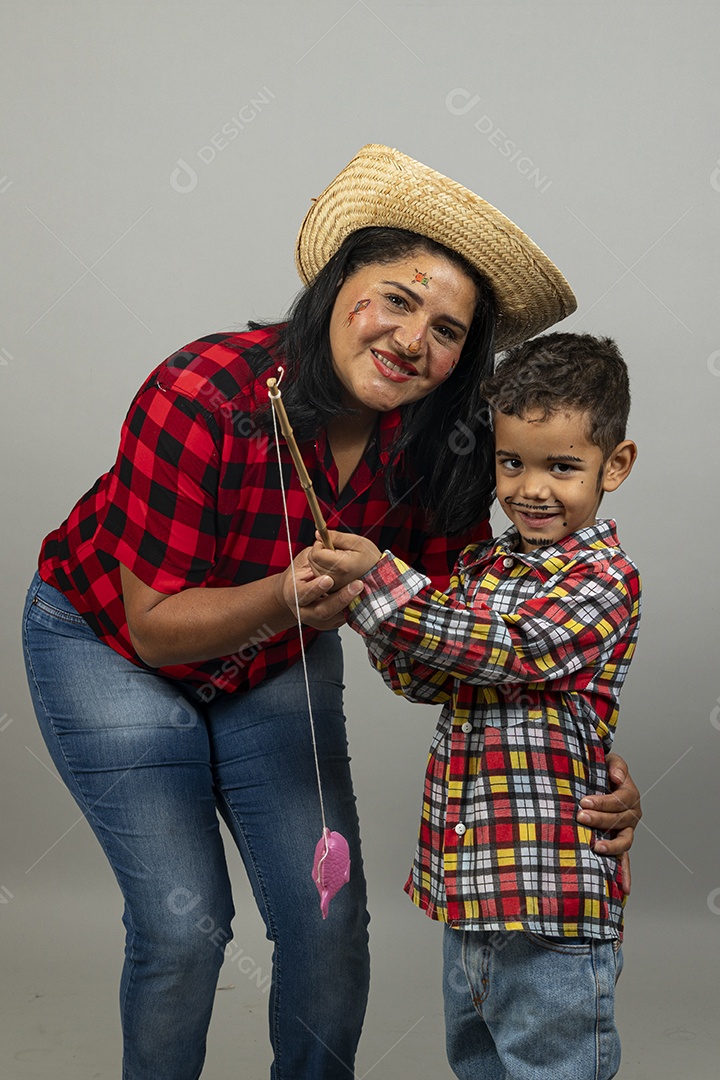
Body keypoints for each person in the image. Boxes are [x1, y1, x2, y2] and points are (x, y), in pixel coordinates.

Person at [21, 144, 641, 1080]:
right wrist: (286, 597)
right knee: (185, 928)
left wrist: (582, 754)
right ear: (338, 280)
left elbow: (464, 635)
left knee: (327, 919)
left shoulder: (452, 442)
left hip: (273, 658)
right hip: (109, 644)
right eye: (396, 297)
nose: (411, 340)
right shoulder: (203, 391)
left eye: (446, 330)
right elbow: (153, 626)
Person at [309, 332, 641, 1080]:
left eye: (563, 467)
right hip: (471, 890)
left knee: (553, 1066)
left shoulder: (605, 579)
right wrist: (362, 601)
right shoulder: (482, 566)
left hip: (553, 896)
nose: (531, 488)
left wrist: (386, 581)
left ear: (613, 466)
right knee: (479, 1064)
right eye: (512, 462)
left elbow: (506, 650)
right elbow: (428, 676)